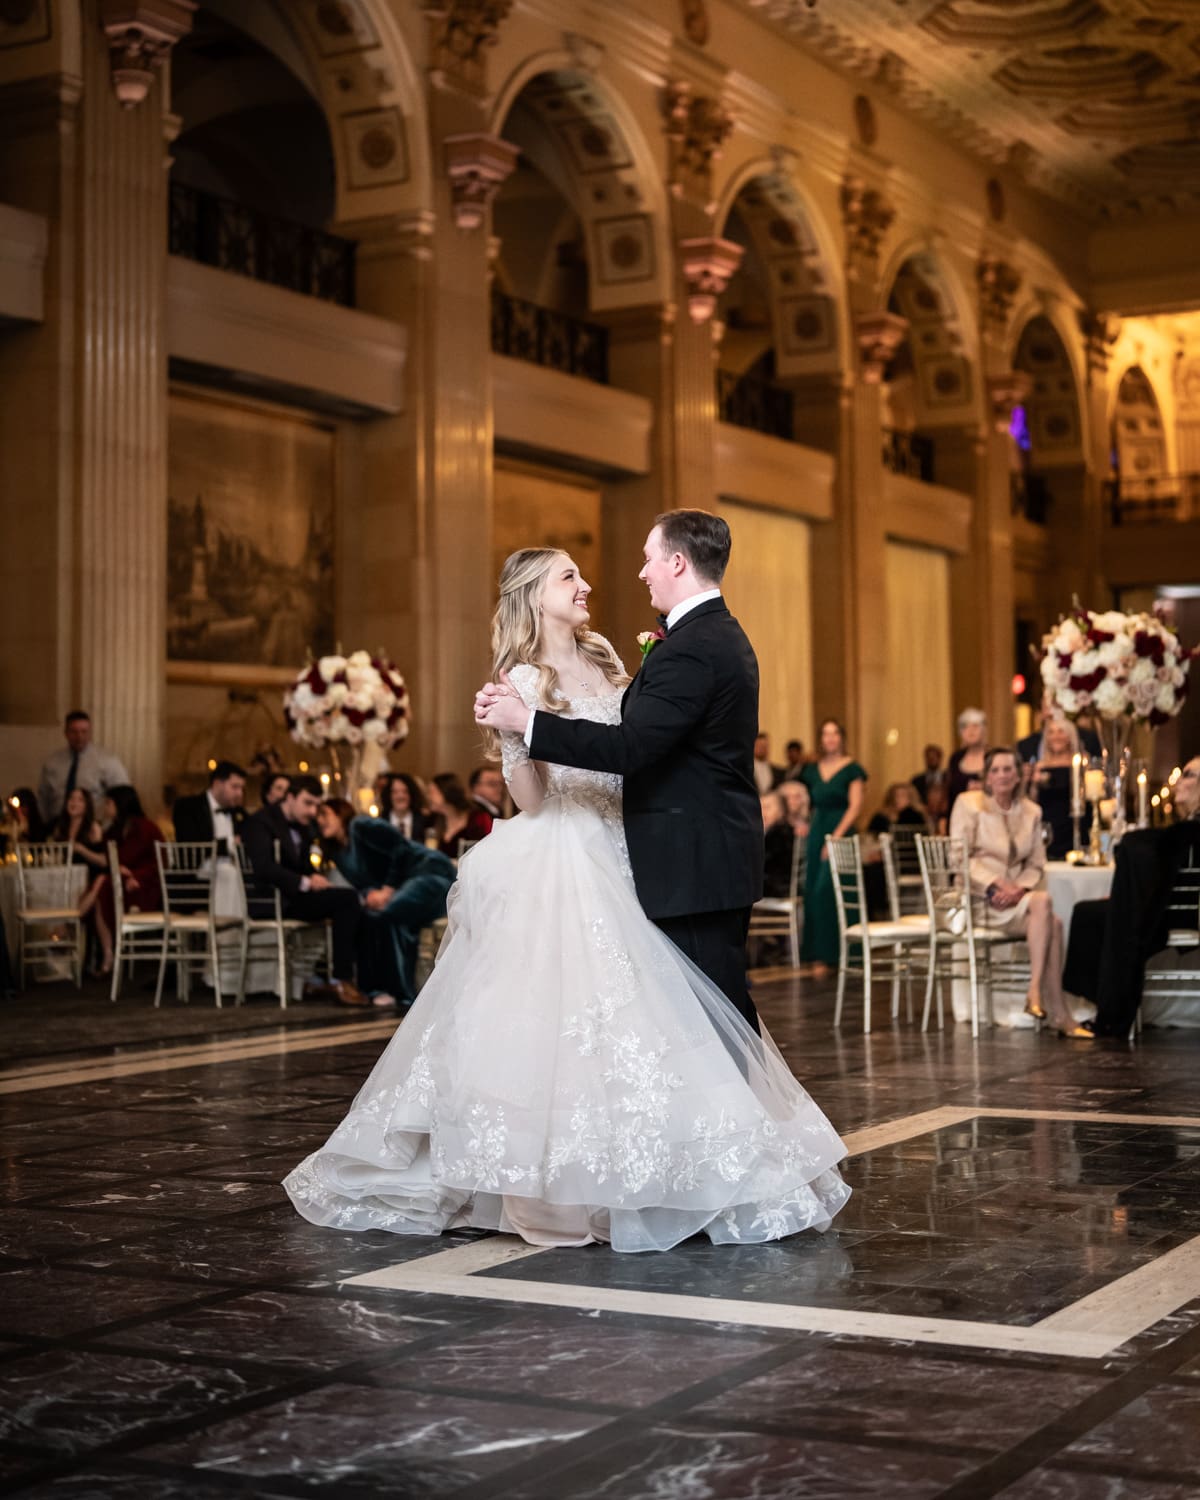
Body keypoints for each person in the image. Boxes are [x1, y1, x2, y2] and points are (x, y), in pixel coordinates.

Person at [285, 531, 850, 1253]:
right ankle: (567, 1181)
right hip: (568, 850)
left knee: (656, 1017)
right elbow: (531, 799)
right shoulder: (521, 680)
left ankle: (669, 1162)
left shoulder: (614, 656)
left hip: (633, 846)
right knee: (570, 1025)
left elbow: (636, 745)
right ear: (535, 597)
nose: (587, 587)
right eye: (569, 578)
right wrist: (516, 737)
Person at [950, 746, 1085, 1036]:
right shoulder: (968, 804)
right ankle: (1051, 1006)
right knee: (1050, 915)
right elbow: (959, 858)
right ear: (986, 777)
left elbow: (1037, 864)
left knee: (1051, 919)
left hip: (1016, 900)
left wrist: (1018, 889)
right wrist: (995, 886)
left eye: (1008, 769)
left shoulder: (1032, 811)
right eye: (995, 770)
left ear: (1018, 774)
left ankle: (1044, 1001)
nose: (1002, 775)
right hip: (980, 900)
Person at [1068, 756, 1200, 1038]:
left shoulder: (1191, 829)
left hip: (1181, 910)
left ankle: (1111, 1011)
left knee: (1104, 916)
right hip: (1168, 904)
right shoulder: (1185, 828)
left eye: (1188, 775)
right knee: (1087, 912)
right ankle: (1104, 1004)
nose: (1179, 781)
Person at [242, 775, 369, 1008]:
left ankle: (342, 977)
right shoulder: (260, 822)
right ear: (289, 797)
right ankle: (341, 979)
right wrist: (305, 881)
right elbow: (263, 867)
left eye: (315, 805)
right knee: (348, 900)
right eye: (307, 803)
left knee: (351, 899)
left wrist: (313, 876)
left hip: (295, 897)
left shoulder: (304, 826)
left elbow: (304, 863)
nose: (313, 811)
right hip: (273, 899)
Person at [316, 798, 456, 1006]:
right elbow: (365, 882)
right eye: (317, 818)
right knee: (367, 917)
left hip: (428, 872)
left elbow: (401, 849)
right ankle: (374, 989)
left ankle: (402, 993)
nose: (320, 821)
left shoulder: (361, 825)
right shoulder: (338, 854)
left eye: (324, 814)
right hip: (395, 888)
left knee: (391, 912)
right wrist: (372, 895)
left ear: (340, 813)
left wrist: (387, 889)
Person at [799, 719, 867, 978]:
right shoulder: (812, 770)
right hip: (817, 831)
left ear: (842, 737)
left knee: (829, 891)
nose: (830, 739)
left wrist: (835, 838)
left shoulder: (853, 769)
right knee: (813, 891)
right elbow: (804, 801)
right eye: (825, 734)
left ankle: (846, 953)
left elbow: (855, 806)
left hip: (840, 833)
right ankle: (819, 955)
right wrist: (801, 823)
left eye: (834, 734)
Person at [79, 785, 163, 976]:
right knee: (102, 884)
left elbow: (159, 862)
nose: (105, 808)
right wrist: (98, 843)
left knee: (101, 882)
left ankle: (75, 921)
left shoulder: (145, 828)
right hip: (121, 885)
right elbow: (111, 859)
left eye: (109, 803)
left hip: (145, 887)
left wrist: (136, 876)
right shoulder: (116, 829)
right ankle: (108, 952)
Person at [37, 711, 130, 826]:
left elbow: (123, 795)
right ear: (66, 733)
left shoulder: (107, 761)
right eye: (74, 732)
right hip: (57, 825)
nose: (79, 736)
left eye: (84, 732)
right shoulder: (53, 763)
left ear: (90, 733)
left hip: (93, 826)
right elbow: (43, 797)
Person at [1025, 716, 1079, 861]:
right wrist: (1033, 783)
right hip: (1048, 825)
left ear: (1070, 736)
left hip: (1074, 823)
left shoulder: (1079, 763)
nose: (1056, 736)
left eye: (1061, 731)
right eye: (1051, 732)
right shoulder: (1040, 766)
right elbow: (1032, 801)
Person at [172, 760, 246, 856]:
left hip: (235, 868)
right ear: (217, 784)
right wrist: (228, 844)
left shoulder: (239, 812)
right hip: (199, 868)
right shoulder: (187, 807)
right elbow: (190, 846)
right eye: (235, 787)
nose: (240, 793)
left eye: (242, 788)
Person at [426, 772, 492, 857]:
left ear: (446, 792)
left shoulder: (478, 818)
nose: (428, 797)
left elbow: (488, 847)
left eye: (432, 792)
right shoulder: (433, 819)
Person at [49, 788, 107, 884]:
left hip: (87, 879)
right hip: (63, 877)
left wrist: (82, 850)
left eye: (80, 800)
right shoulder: (60, 827)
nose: (74, 803)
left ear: (87, 805)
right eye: (71, 799)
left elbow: (103, 861)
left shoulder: (93, 828)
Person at [946, 709, 987, 821]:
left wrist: (984, 788)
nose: (970, 731)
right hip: (960, 817)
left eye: (975, 726)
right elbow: (950, 793)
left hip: (986, 817)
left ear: (983, 730)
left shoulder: (992, 757)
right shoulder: (955, 759)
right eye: (965, 727)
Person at [761, 790, 796, 898]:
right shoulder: (766, 831)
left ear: (781, 811)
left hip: (776, 885)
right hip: (767, 882)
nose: (762, 812)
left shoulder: (781, 832)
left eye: (767, 807)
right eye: (759, 807)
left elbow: (765, 860)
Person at [382, 773, 429, 845]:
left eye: (405, 791)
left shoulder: (425, 822)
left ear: (411, 795)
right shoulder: (381, 823)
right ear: (389, 795)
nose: (401, 796)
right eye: (395, 792)